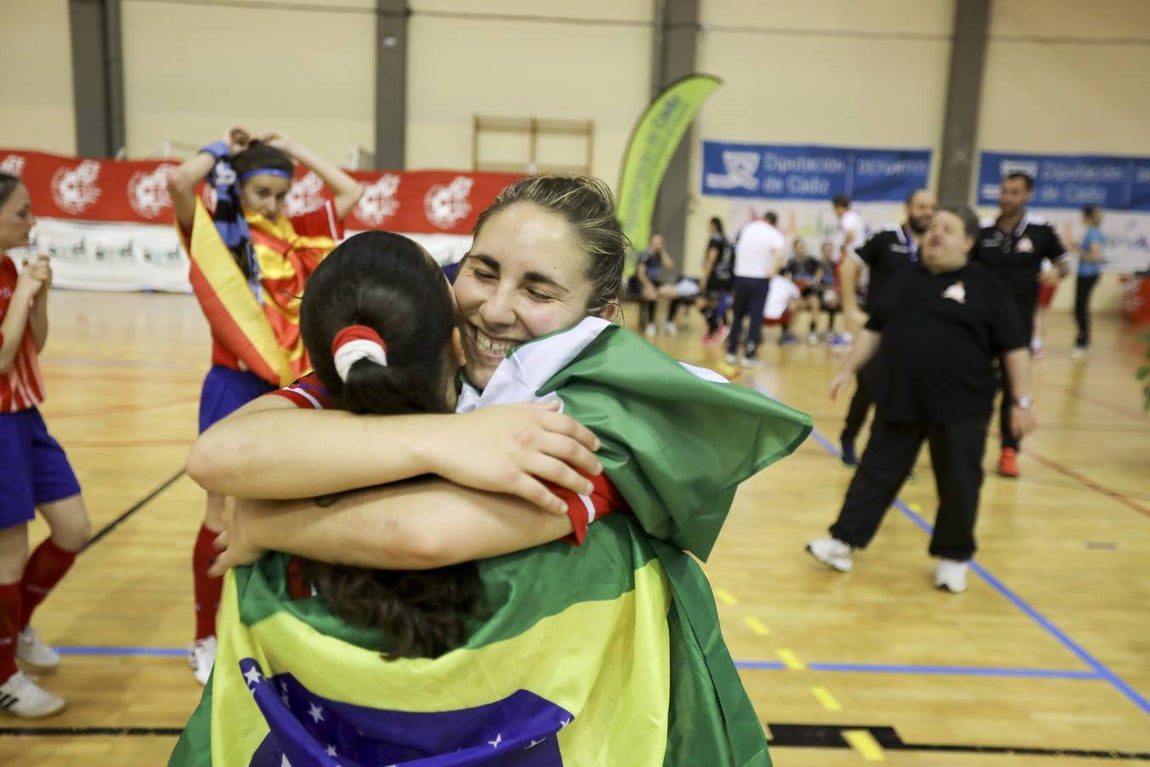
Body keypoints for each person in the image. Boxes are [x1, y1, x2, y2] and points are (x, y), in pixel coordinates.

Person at [177, 175, 813, 764]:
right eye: (483, 271)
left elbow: (423, 531)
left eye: (538, 290)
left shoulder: (611, 408)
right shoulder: (429, 349)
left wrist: (267, 525)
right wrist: (442, 438)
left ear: (601, 314)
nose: (496, 308)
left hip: (561, 727)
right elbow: (217, 454)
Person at [167, 127, 363, 685]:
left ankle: (276, 620)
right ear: (241, 191)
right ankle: (205, 636)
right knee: (219, 514)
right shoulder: (219, 235)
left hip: (291, 386)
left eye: (282, 194)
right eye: (263, 194)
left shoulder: (297, 234)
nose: (274, 205)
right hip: (233, 384)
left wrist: (293, 146)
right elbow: (180, 181)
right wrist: (223, 151)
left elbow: (347, 194)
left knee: (288, 505)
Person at [806, 207, 1037, 593]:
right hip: (900, 399)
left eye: (947, 229)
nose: (935, 234)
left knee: (959, 484)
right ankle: (842, 543)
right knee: (874, 475)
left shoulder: (989, 288)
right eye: (932, 228)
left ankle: (953, 559)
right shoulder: (902, 280)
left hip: (961, 407)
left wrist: (1022, 402)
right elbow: (874, 329)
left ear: (967, 242)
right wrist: (848, 370)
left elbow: (1015, 349)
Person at [0, 173, 92, 718]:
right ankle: (5, 676)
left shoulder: (12, 268)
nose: (31, 221)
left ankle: (17, 628)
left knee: (74, 528)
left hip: (26, 417)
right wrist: (22, 299)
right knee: (8, 551)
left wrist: (39, 295)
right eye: (20, 212)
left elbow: (33, 343)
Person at [970, 172, 1068, 478]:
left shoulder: (1041, 230)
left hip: (1018, 328)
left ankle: (1009, 450)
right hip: (980, 326)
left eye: (1014, 192)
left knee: (1015, 391)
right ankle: (969, 448)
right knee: (976, 389)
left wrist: (1057, 272)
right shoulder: (982, 230)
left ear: (1027, 195)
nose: (1006, 197)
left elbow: (1064, 262)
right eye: (1004, 191)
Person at [838, 189, 937, 467]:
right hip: (879, 331)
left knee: (907, 397)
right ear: (908, 208)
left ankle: (893, 457)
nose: (927, 212)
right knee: (868, 389)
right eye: (921, 206)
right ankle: (848, 438)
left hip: (918, 335)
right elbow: (848, 266)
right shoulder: (885, 237)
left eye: (931, 207)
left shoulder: (936, 243)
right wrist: (850, 308)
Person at [724, 210, 786, 367]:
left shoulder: (748, 228)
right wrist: (773, 272)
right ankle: (749, 355)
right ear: (774, 223)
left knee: (738, 315)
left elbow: (736, 248)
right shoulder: (773, 233)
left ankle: (731, 352)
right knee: (755, 317)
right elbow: (779, 254)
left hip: (741, 277)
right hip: (759, 279)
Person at [628, 231, 686, 337]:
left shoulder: (659, 255)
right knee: (652, 294)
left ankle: (670, 323)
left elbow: (670, 265)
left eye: (660, 242)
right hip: (640, 282)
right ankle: (650, 324)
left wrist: (663, 251)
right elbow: (640, 274)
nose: (658, 244)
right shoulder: (646, 255)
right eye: (656, 241)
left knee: (676, 293)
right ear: (651, 242)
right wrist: (649, 285)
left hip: (654, 282)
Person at [1066, 205, 1105, 358]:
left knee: (1079, 309)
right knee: (1081, 308)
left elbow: (1095, 256)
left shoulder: (1093, 233)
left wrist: (1078, 251)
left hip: (1088, 274)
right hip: (1085, 274)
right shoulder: (1089, 232)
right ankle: (1084, 341)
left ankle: (1082, 343)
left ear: (1087, 216)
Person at [699, 216, 734, 345]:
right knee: (717, 304)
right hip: (726, 276)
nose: (707, 228)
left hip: (715, 276)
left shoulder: (715, 239)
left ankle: (717, 328)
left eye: (709, 225)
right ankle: (720, 328)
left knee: (701, 302)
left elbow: (712, 259)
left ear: (713, 225)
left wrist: (704, 277)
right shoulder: (726, 239)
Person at [781, 238, 822, 345]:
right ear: (794, 248)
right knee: (796, 306)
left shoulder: (812, 260)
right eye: (799, 247)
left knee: (815, 303)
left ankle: (813, 332)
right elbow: (786, 278)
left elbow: (819, 271)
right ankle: (788, 333)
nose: (802, 249)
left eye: (803, 246)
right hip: (797, 293)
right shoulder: (790, 262)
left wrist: (814, 280)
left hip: (809, 292)